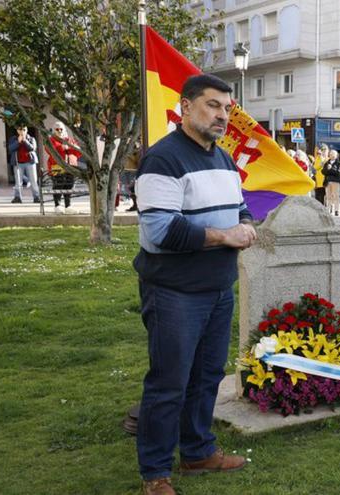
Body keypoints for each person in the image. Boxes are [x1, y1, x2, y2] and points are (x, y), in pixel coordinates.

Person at [133, 74, 256, 495]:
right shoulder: (163, 160)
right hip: (174, 293)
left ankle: (198, 452)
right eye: (213, 105)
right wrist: (224, 237)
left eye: (227, 108)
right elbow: (159, 232)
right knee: (169, 383)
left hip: (218, 289)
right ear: (185, 107)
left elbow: (241, 209)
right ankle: (155, 474)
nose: (222, 115)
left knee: (206, 378)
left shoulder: (222, 158)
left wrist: (244, 226)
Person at [46, 122, 82, 214]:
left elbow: (78, 152)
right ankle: (57, 205)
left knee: (69, 186)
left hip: (71, 166)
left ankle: (68, 206)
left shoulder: (70, 140)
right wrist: (62, 147)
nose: (60, 131)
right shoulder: (51, 140)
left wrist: (70, 147)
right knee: (58, 185)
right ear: (54, 130)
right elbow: (49, 150)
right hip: (57, 167)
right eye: (57, 129)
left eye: (61, 129)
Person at [8, 126, 41, 204]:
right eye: (20, 129)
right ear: (17, 130)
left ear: (27, 130)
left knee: (33, 181)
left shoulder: (31, 139)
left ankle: (36, 197)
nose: (22, 131)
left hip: (30, 162)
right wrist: (18, 142)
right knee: (18, 182)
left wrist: (25, 140)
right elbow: (10, 148)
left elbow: (32, 148)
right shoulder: (13, 139)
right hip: (18, 163)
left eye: (24, 130)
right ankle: (17, 197)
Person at [322, 149, 340, 216]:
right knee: (328, 196)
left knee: (336, 196)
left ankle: (336, 210)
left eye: (333, 154)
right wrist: (327, 169)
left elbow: (338, 173)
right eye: (331, 154)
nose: (332, 156)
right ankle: (328, 209)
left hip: (335, 181)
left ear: (336, 156)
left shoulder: (339, 163)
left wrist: (331, 169)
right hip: (328, 181)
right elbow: (323, 172)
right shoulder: (326, 163)